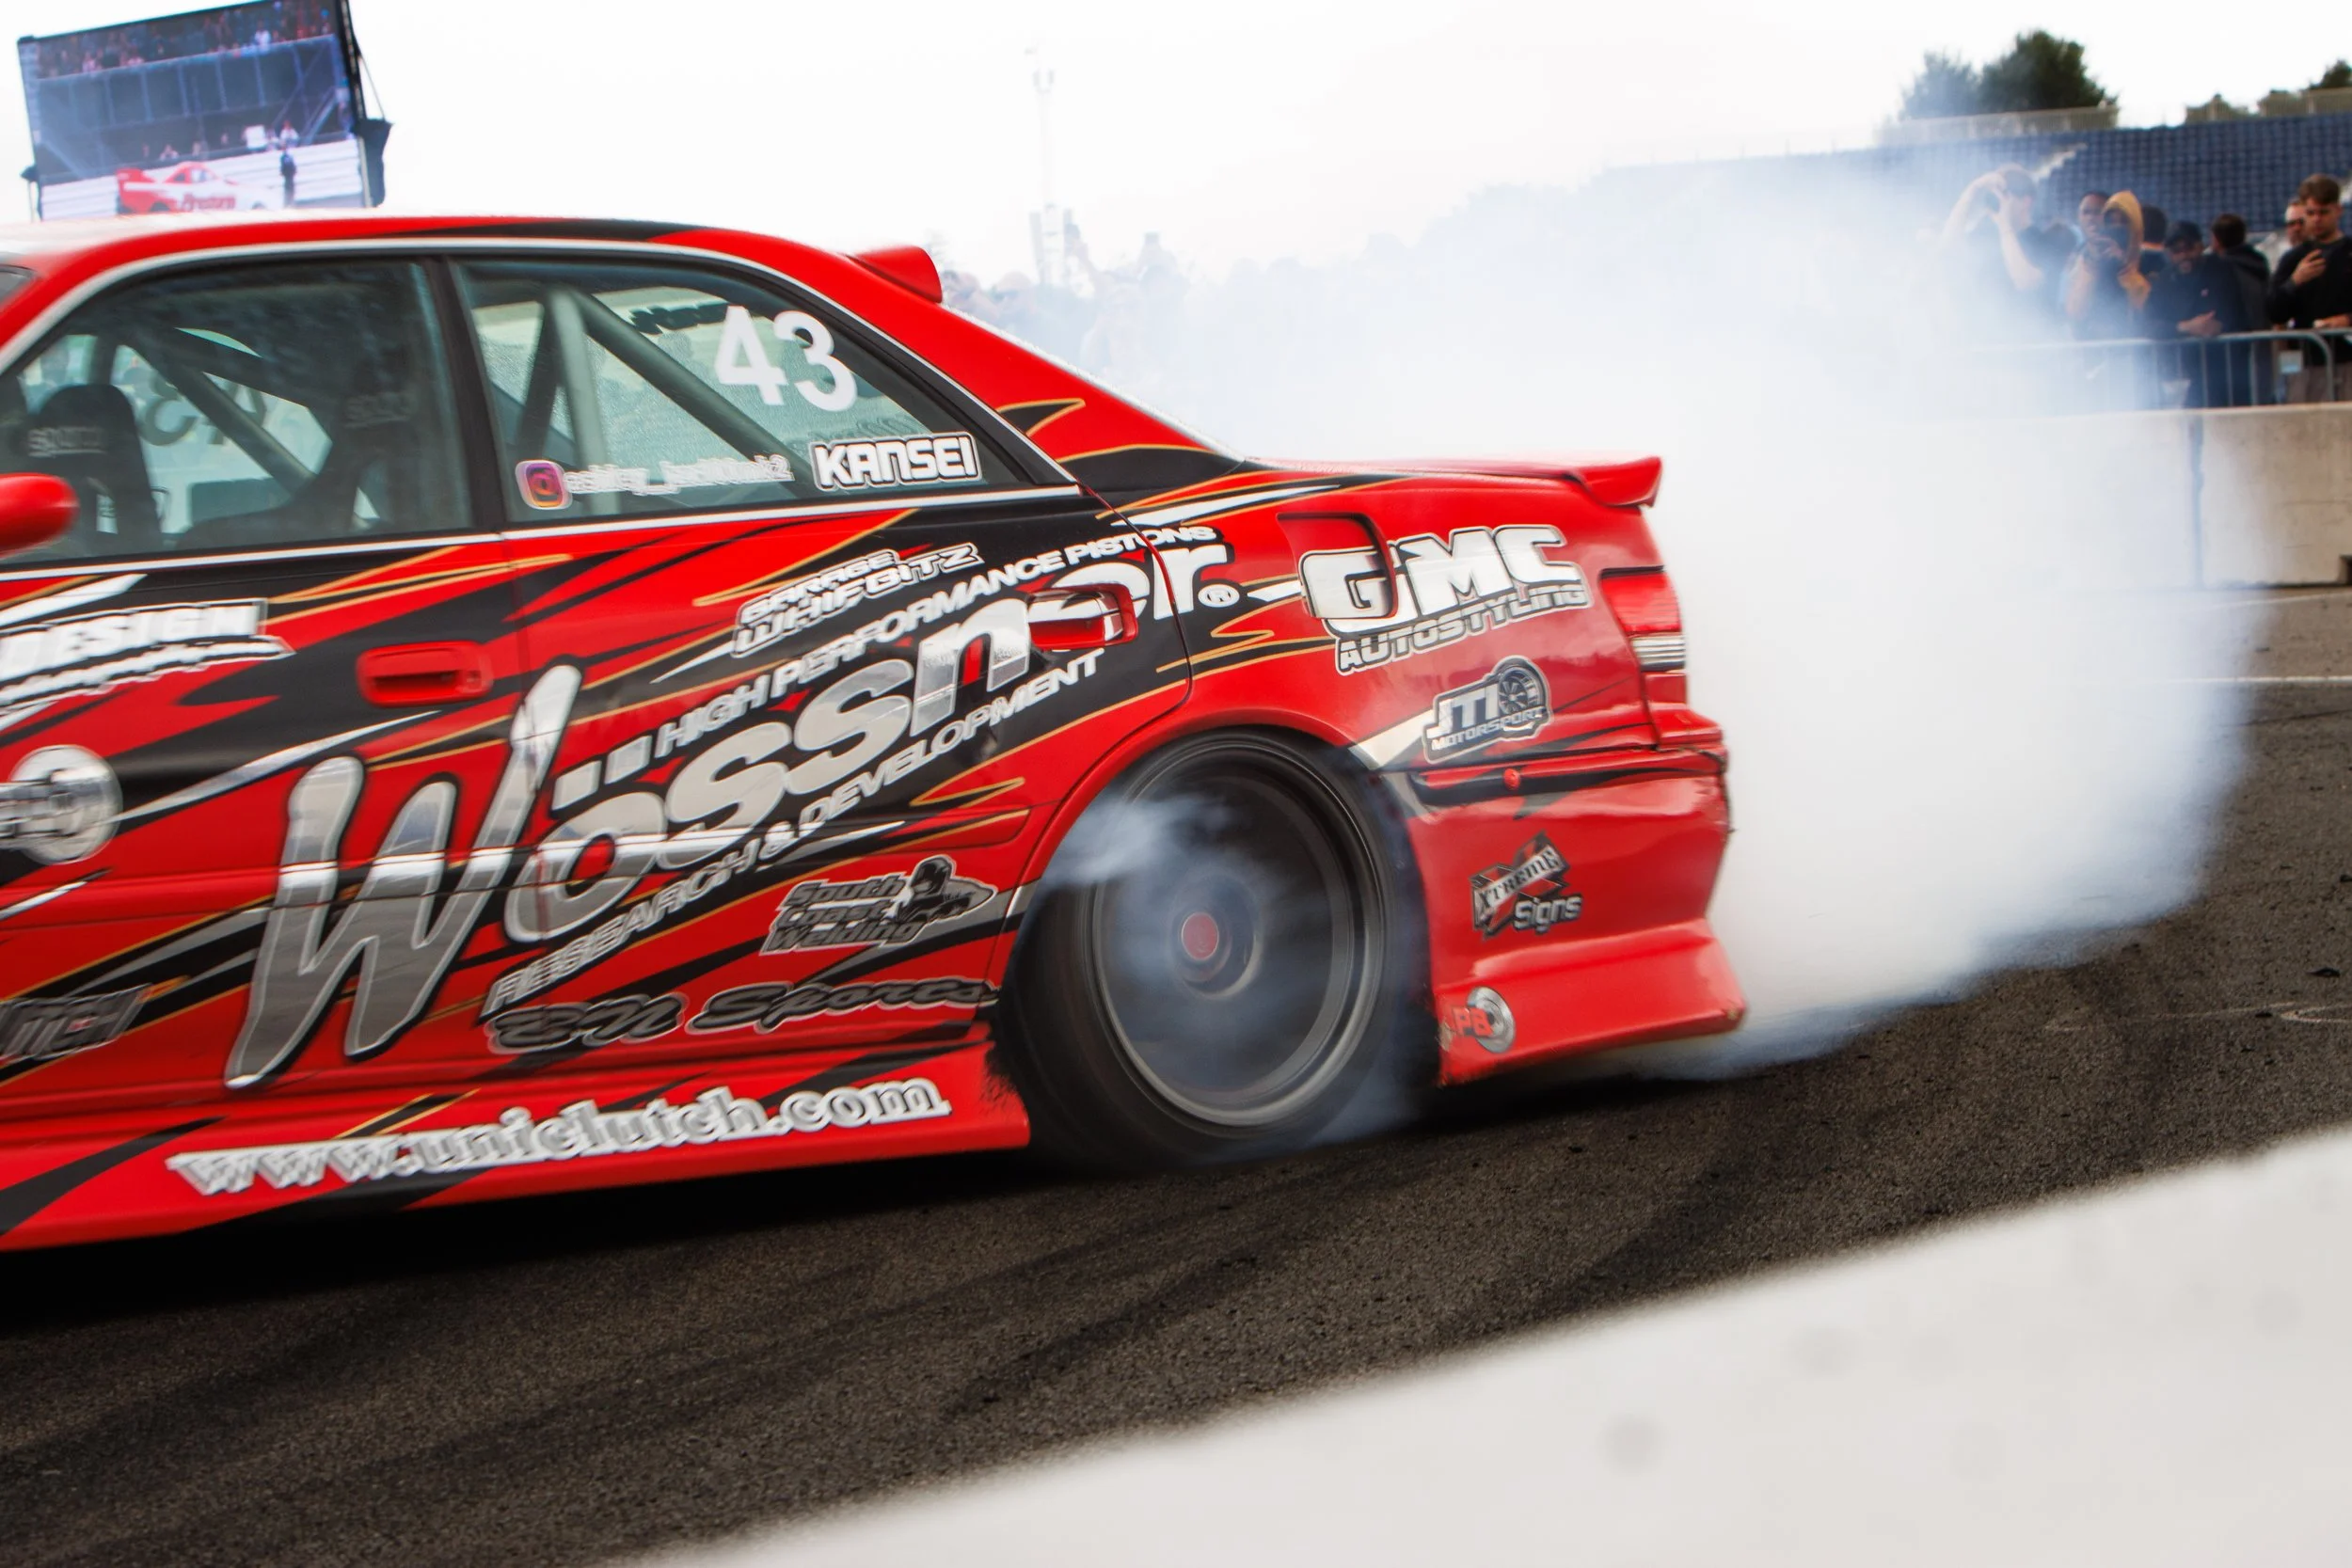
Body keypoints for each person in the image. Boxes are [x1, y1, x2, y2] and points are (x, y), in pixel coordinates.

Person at [1939, 166, 2073, 337]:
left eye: (2004, 194)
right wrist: (1973, 189)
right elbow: (1948, 247)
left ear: (2026, 202)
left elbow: (2026, 282)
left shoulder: (2050, 240)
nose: (1999, 200)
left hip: (2034, 344)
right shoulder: (1987, 240)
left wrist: (2005, 226)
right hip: (1990, 341)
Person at [2149, 222, 2255, 405]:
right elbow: (2150, 324)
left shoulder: (2221, 270)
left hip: (2225, 374)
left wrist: (2212, 326)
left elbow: (2228, 316)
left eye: (2188, 248)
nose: (2183, 256)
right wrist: (2185, 327)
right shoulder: (2165, 279)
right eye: (2176, 251)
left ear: (2200, 245)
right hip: (2182, 373)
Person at [2266, 173, 2352, 399]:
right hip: (2308, 363)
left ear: (2338, 210)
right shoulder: (2294, 259)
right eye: (2311, 213)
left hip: (2348, 358)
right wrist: (2294, 282)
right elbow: (2274, 310)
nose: (2316, 219)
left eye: (2323, 212)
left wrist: (2347, 321)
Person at [2064, 191, 2153, 340]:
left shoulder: (2151, 260)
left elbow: (2150, 309)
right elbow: (2075, 312)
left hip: (2138, 350)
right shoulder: (2089, 261)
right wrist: (2094, 264)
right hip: (2097, 351)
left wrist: (2125, 267)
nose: (2116, 227)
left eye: (2124, 222)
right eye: (2111, 222)